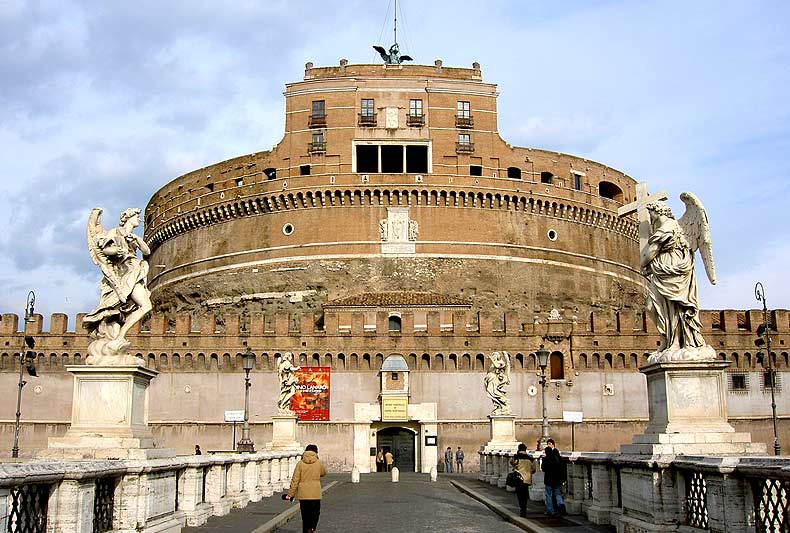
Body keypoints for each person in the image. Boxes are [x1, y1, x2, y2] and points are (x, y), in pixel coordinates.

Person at [84, 207, 153, 354]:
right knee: (138, 305)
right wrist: (117, 251)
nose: (139, 220)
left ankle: (121, 335)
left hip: (135, 272)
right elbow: (105, 249)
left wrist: (137, 239)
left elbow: (147, 252)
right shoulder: (115, 232)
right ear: (129, 217)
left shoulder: (133, 237)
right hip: (123, 273)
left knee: (146, 306)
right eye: (137, 217)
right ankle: (119, 335)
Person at [283, 444, 327, 533]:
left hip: (303, 494)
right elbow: (323, 473)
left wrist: (290, 494)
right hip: (315, 493)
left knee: (305, 515)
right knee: (315, 513)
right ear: (316, 452)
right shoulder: (318, 463)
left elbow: (295, 480)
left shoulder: (300, 464)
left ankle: (306, 529)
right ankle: (312, 527)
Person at [510, 443, 536, 517]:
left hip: (519, 479)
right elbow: (534, 470)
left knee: (520, 495)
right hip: (527, 479)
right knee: (525, 495)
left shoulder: (516, 457)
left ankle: (522, 509)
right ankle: (524, 508)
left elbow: (512, 463)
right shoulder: (530, 458)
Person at [541, 439, 566, 516]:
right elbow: (562, 468)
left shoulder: (546, 459)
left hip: (549, 479)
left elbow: (543, 469)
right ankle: (561, 504)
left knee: (548, 494)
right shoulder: (558, 458)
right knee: (557, 493)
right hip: (557, 479)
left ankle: (550, 510)